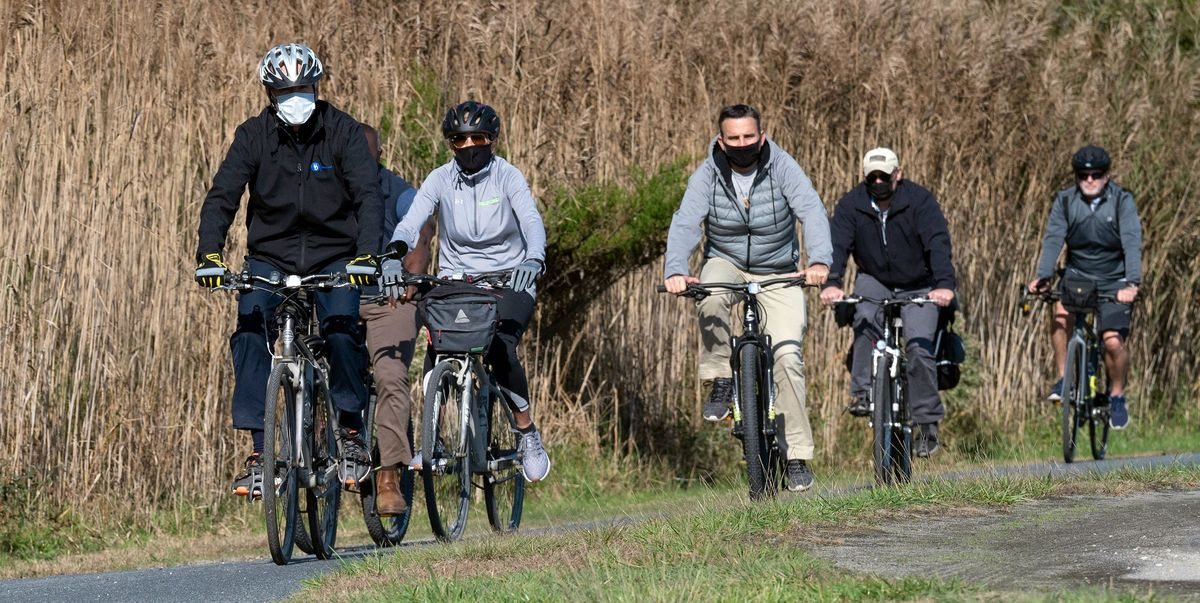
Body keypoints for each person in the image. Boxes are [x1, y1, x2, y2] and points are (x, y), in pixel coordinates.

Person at [194, 43, 383, 497]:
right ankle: (262, 452)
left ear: (316, 87)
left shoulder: (342, 131)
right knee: (248, 328)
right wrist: (209, 255)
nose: (294, 97)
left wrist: (366, 255)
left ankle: (352, 434)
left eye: (302, 88)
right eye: (284, 90)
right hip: (270, 257)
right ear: (269, 92)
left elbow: (368, 196)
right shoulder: (253, 135)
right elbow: (223, 195)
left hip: (335, 255)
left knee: (340, 332)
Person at [663, 104, 832, 492]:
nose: (742, 145)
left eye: (748, 137)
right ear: (721, 140)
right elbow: (686, 221)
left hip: (779, 270)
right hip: (728, 262)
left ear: (762, 136)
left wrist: (819, 261)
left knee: (788, 356)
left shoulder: (783, 167)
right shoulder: (707, 174)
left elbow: (812, 210)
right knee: (709, 293)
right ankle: (720, 378)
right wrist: (675, 270)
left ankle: (797, 456)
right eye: (733, 139)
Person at [381, 100, 551, 482]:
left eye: (478, 138)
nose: (469, 146)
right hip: (457, 280)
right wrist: (394, 253)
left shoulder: (508, 177)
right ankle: (434, 436)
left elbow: (531, 222)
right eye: (460, 139)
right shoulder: (440, 178)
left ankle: (526, 432)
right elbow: (412, 222)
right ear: (451, 144)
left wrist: (532, 259)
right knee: (437, 339)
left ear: (491, 140)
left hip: (510, 278)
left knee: (501, 345)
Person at [819, 148, 957, 458]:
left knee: (920, 347)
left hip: (919, 283)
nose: (879, 182)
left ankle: (927, 424)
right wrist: (832, 283)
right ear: (864, 178)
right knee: (864, 317)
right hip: (875, 279)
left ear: (898, 174)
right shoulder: (852, 204)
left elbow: (938, 243)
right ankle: (862, 393)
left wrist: (944, 285)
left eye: (885, 176)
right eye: (873, 178)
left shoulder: (919, 201)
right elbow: (838, 246)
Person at [1027, 145, 1141, 429]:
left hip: (1114, 279)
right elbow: (1054, 239)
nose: (1089, 180)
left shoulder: (1121, 201)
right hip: (1078, 276)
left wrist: (1132, 283)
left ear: (1107, 175)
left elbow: (1131, 241)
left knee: (1112, 341)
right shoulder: (1065, 201)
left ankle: (1116, 395)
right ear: (1076, 176)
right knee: (1060, 314)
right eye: (1083, 175)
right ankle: (1065, 378)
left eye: (1096, 175)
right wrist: (1043, 276)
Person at [357, 124, 435, 515]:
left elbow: (423, 221)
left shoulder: (395, 189)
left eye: (366, 157)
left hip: (389, 298)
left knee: (389, 376)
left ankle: (388, 476)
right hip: (339, 297)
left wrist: (416, 261)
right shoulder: (328, 191)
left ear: (379, 158)